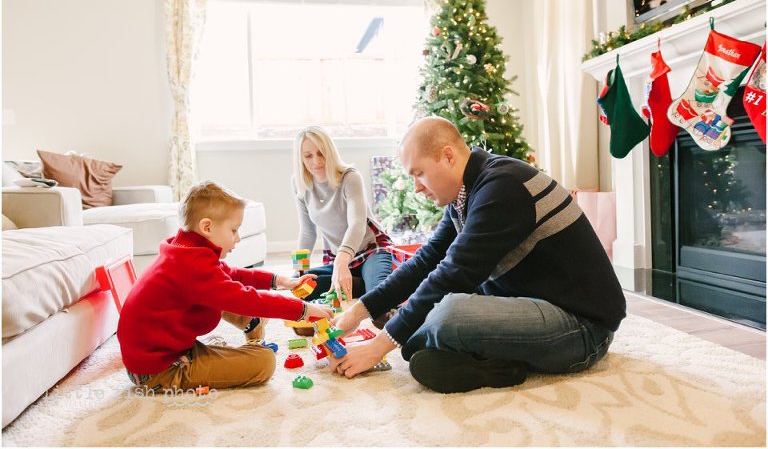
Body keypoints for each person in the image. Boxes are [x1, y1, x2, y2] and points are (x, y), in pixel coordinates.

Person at [330, 116, 626, 393]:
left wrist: (379, 346)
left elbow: (454, 273)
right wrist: (359, 311)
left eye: (419, 173)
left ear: (448, 156)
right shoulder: (466, 193)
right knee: (425, 321)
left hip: (581, 328)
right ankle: (495, 363)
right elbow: (427, 261)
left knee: (447, 314)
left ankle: (484, 359)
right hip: (533, 303)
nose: (417, 187)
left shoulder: (502, 187)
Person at [117, 181, 333, 392]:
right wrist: (302, 310)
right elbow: (245, 298)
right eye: (234, 230)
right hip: (159, 370)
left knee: (225, 289)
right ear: (207, 227)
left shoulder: (184, 251)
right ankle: (244, 330)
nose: (237, 238)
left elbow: (231, 274)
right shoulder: (192, 267)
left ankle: (251, 323)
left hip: (160, 352)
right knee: (264, 361)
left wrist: (280, 281)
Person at [292, 126, 393, 309]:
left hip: (370, 250)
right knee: (298, 288)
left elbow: (357, 224)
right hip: (336, 259)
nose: (316, 161)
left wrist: (341, 261)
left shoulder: (350, 177)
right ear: (300, 158)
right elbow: (307, 232)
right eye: (308, 155)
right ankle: (356, 282)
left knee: (379, 299)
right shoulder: (299, 183)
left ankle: (365, 281)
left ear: (330, 152)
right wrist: (300, 270)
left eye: (321, 153)